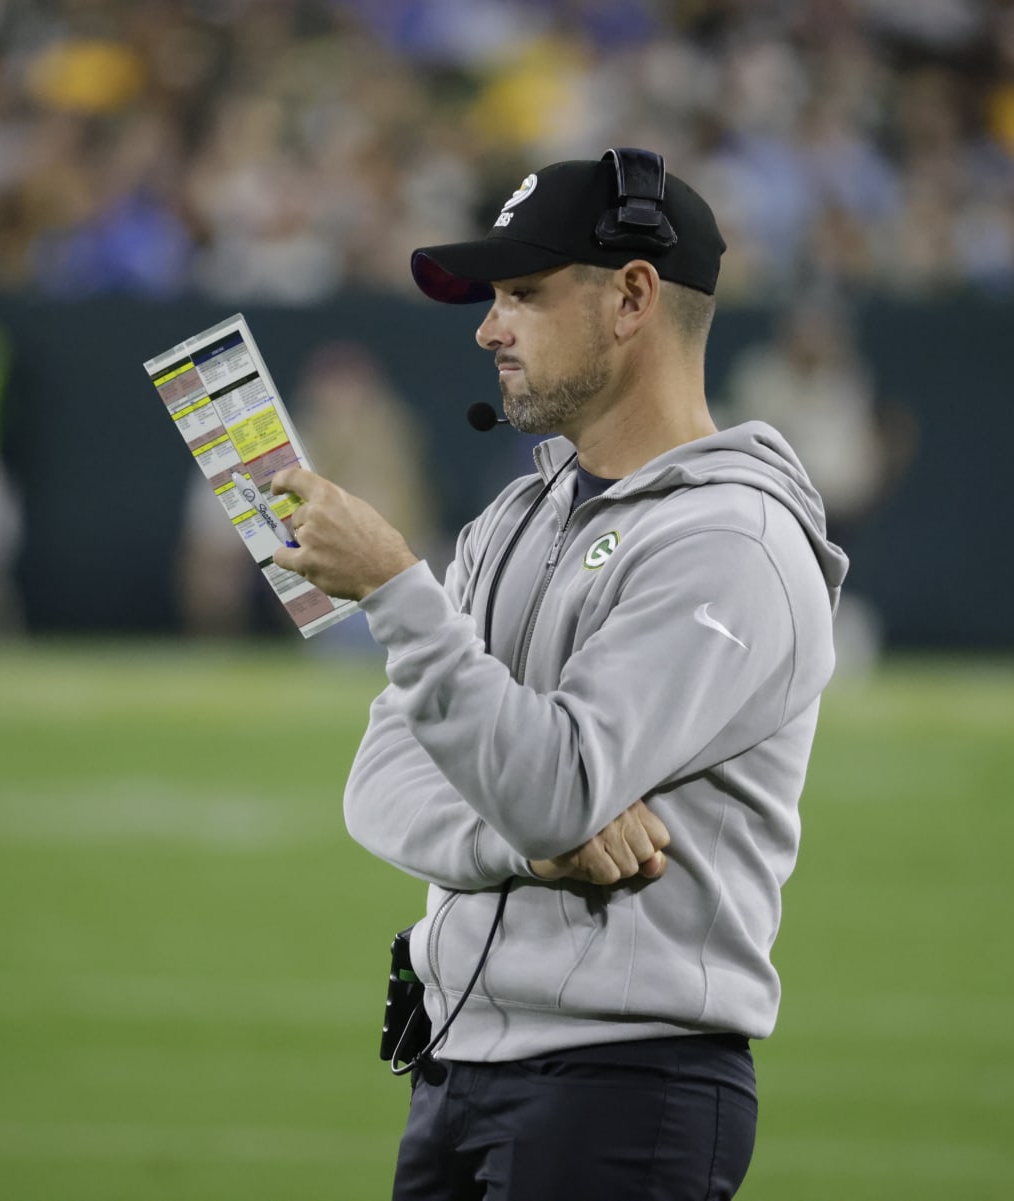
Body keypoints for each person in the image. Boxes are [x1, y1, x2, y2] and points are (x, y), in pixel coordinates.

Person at [269, 150, 848, 1200]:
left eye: (523, 295)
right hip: (457, 1064)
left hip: (626, 1082)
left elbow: (556, 787)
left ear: (632, 296)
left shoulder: (734, 540)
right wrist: (526, 853)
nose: (490, 328)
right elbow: (382, 784)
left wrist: (398, 589)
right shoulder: (516, 517)